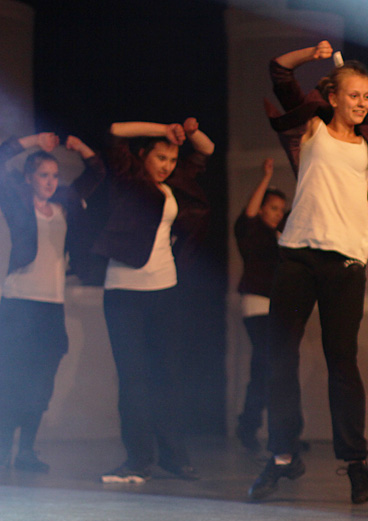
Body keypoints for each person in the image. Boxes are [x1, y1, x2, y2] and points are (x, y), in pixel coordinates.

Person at [248, 40, 368, 504]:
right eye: (354, 95)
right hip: (297, 256)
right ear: (332, 97)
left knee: (342, 363)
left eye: (367, 96)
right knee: (279, 359)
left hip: (346, 263)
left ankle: (354, 461)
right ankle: (282, 456)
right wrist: (311, 53)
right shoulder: (311, 127)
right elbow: (279, 70)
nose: (362, 103)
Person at [95, 118, 214, 484]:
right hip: (124, 291)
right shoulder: (127, 178)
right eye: (160, 157)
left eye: (172, 160)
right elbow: (114, 131)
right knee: (133, 378)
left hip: (165, 288)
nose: (167, 165)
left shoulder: (174, 185)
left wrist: (189, 132)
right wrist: (163, 128)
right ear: (144, 155)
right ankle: (137, 458)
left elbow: (206, 149)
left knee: (168, 376)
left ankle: (174, 457)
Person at [0, 132, 105, 472]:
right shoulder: (17, 202)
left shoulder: (65, 205)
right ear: (29, 177)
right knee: (12, 379)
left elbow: (97, 172)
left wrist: (79, 146)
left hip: (50, 305)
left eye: (55, 176)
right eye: (43, 175)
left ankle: (26, 452)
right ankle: (3, 448)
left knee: (41, 384)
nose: (50, 181)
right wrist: (36, 141)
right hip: (18, 302)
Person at [233, 158, 287, 454]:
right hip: (256, 304)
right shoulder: (252, 232)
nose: (278, 214)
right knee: (266, 366)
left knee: (271, 368)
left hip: (276, 307)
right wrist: (266, 177)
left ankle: (273, 431)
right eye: (273, 208)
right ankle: (250, 426)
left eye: (281, 209)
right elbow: (248, 216)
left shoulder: (281, 236)